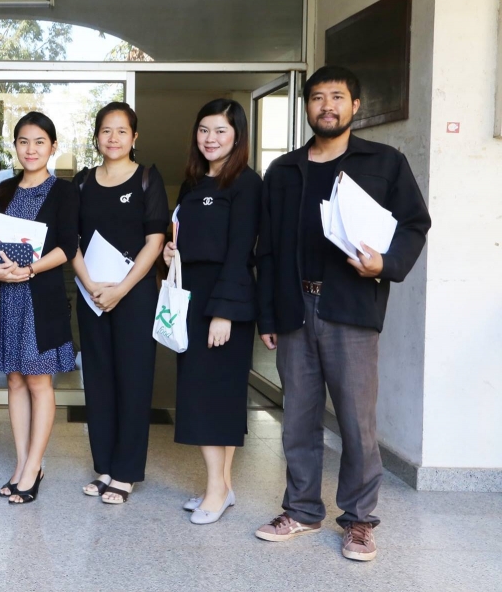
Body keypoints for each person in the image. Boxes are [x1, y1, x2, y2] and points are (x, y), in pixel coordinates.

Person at [253, 66, 431, 561]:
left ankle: (359, 520)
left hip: (350, 307)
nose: (326, 105)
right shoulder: (284, 170)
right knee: (298, 419)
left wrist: (385, 265)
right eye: (317, 97)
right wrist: (268, 315)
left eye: (337, 97)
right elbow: (267, 249)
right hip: (294, 307)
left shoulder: (384, 163)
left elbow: (414, 224)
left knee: (356, 421)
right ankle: (302, 509)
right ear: (307, 106)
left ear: (355, 105)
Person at [161, 99, 262, 523]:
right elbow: (183, 237)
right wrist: (171, 253)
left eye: (220, 130)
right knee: (204, 393)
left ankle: (216, 490)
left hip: (225, 300)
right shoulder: (191, 184)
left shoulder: (247, 184)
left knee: (216, 396)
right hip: (192, 296)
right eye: (204, 130)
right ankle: (222, 486)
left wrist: (224, 313)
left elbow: (240, 251)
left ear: (237, 136)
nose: (210, 138)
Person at [72, 102, 167, 505]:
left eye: (122, 131)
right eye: (106, 131)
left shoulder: (147, 178)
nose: (113, 138)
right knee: (98, 380)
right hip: (92, 295)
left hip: (135, 296)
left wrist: (121, 289)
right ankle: (105, 467)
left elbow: (155, 241)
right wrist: (91, 284)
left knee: (133, 380)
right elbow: (70, 240)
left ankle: (126, 472)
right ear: (96, 136)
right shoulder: (81, 182)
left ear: (134, 137)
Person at [0, 111, 79, 505]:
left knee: (39, 382)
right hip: (6, 298)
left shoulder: (64, 191)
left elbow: (67, 246)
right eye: (23, 141)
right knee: (14, 380)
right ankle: (24, 464)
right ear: (16, 146)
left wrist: (30, 269)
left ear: (52, 147)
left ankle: (34, 465)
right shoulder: (3, 191)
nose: (31, 149)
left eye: (40, 142)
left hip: (40, 298)